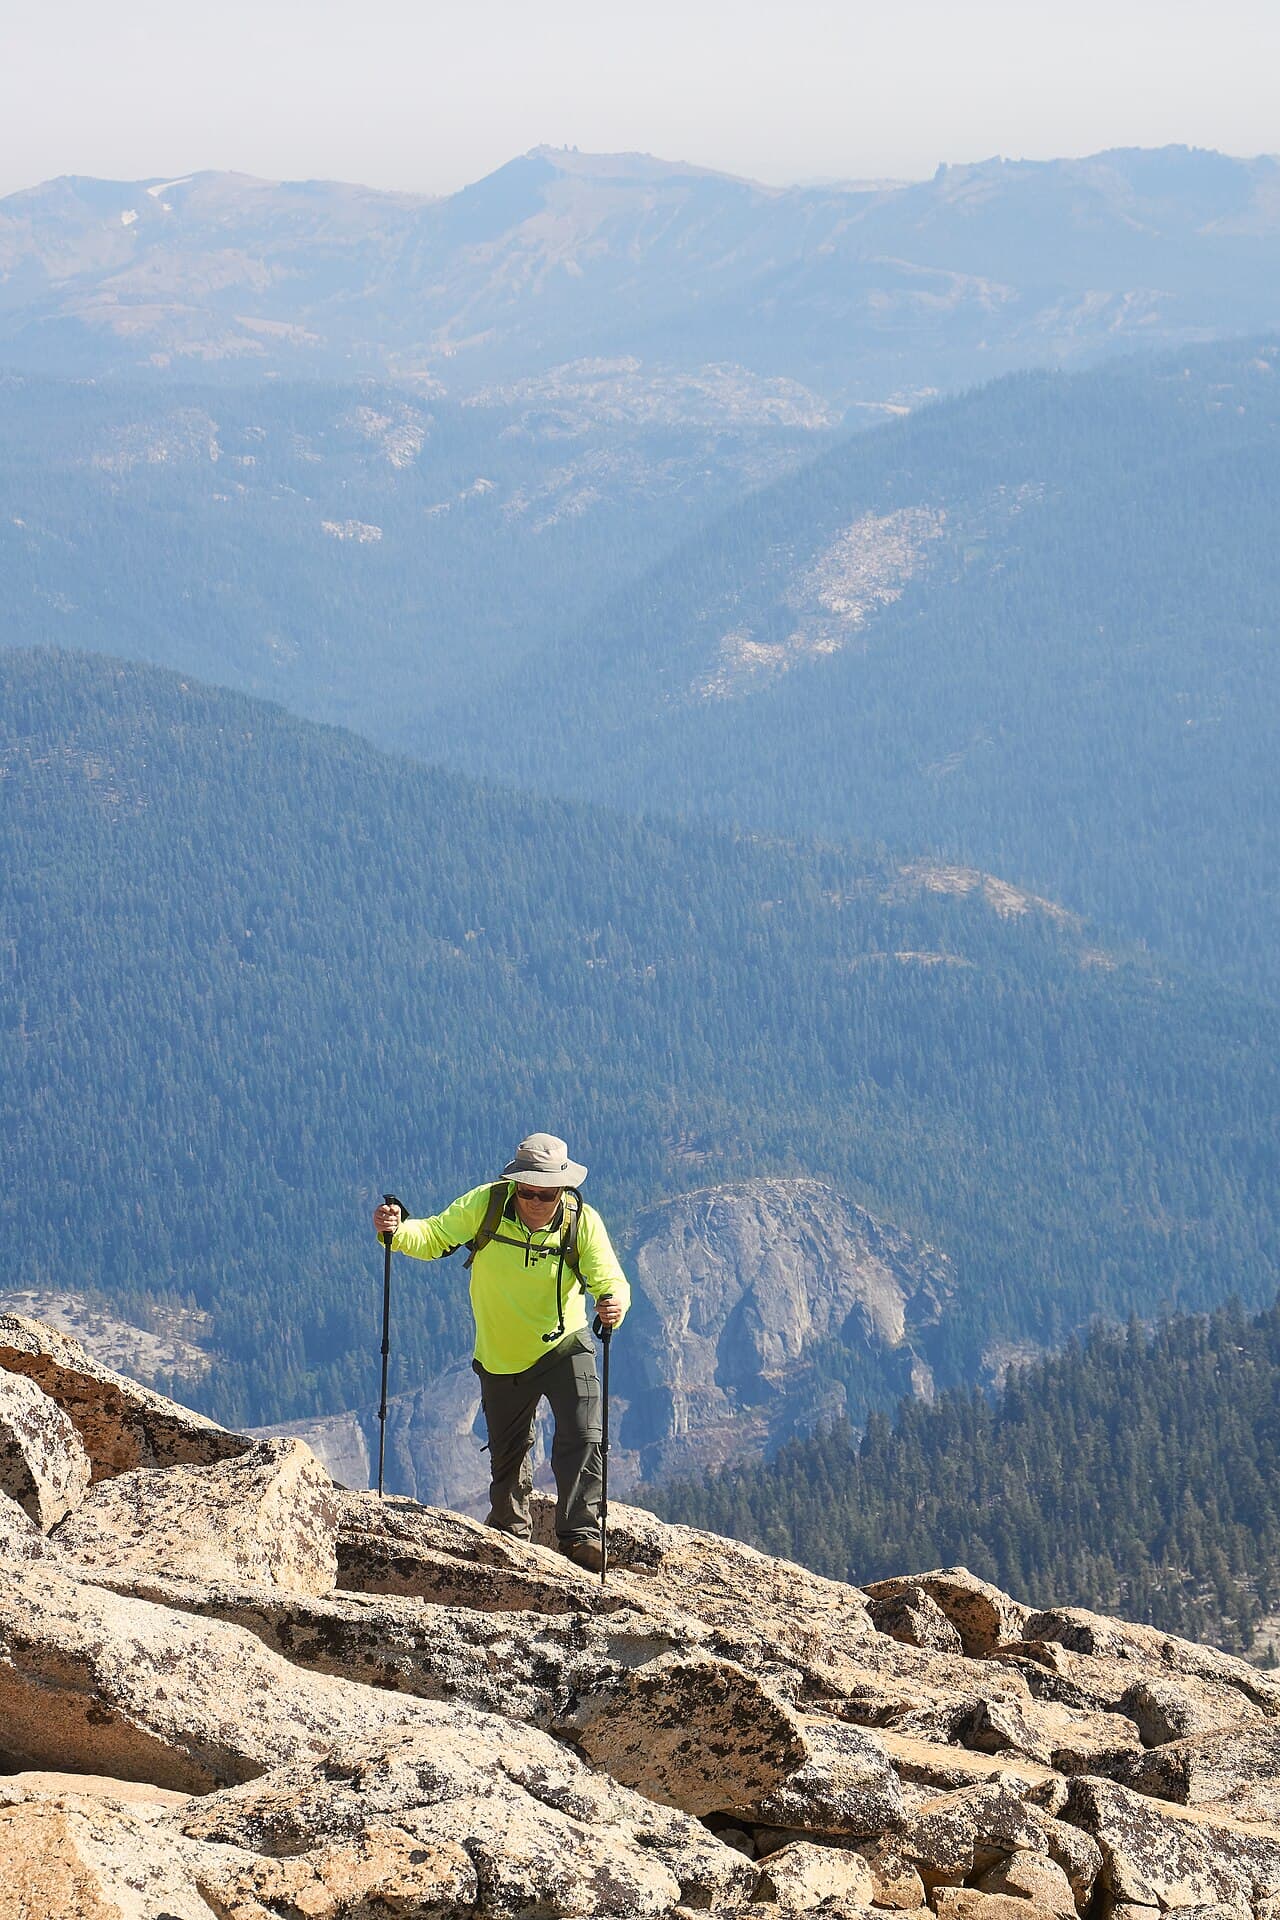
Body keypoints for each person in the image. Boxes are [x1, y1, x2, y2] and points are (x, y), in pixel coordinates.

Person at [372, 1132, 628, 1571]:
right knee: (509, 1453)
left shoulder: (581, 1221)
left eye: (544, 1193)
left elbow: (610, 1280)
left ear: (562, 1189)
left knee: (583, 1434)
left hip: (565, 1344)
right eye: (526, 1190)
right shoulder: (485, 1204)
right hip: (500, 1355)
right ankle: (511, 1536)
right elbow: (435, 1236)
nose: (533, 1200)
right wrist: (395, 1231)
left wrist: (613, 1306)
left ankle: (581, 1536)